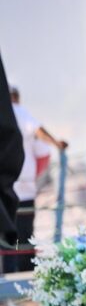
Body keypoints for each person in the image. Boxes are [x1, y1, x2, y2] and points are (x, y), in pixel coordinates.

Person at [5, 87, 68, 273]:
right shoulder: (16, 110)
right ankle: (25, 275)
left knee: (5, 235)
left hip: (7, 187)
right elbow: (39, 135)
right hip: (22, 187)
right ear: (15, 98)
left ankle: (7, 274)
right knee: (24, 233)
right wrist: (56, 143)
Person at [0, 53, 25, 265]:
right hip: (24, 188)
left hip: (22, 188)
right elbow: (10, 139)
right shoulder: (23, 113)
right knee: (18, 242)